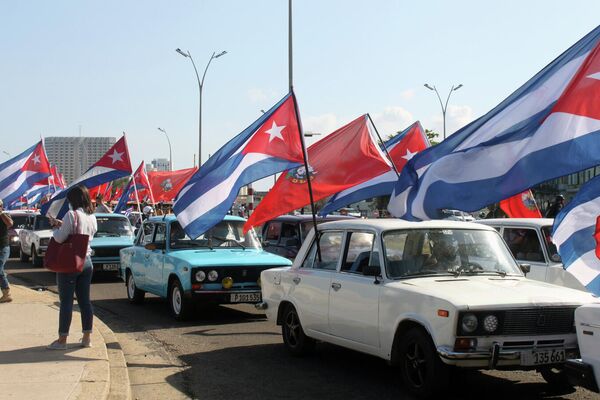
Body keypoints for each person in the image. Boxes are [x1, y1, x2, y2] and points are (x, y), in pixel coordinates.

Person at [47, 186, 98, 350]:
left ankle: (62, 340)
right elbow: (82, 234)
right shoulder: (92, 217)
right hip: (87, 261)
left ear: (73, 200)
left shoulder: (71, 214)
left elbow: (61, 238)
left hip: (70, 263)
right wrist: (63, 225)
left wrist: (56, 228)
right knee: (85, 301)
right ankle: (87, 338)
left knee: (66, 302)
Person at [0, 200, 14, 303]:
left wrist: (1, 213)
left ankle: (7, 293)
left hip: (3, 247)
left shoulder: (4, 215)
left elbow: (10, 223)